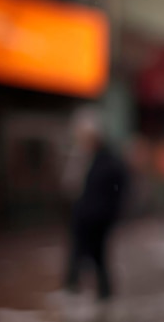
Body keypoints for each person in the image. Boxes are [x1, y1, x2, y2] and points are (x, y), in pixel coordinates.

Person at [62, 105, 128, 301]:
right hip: (84, 217)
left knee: (95, 257)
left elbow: (118, 189)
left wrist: (106, 213)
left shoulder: (107, 160)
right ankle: (74, 290)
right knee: (81, 254)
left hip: (97, 219)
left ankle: (99, 293)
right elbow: (72, 184)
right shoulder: (82, 156)